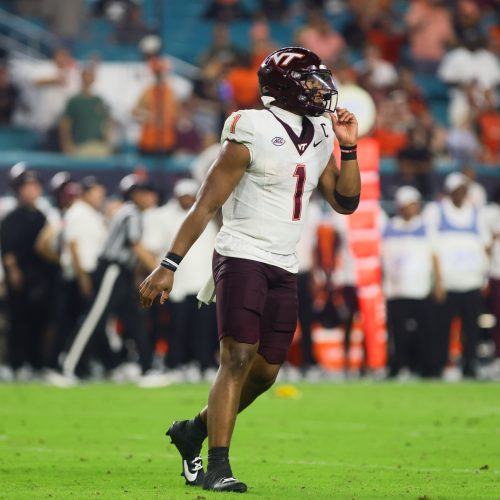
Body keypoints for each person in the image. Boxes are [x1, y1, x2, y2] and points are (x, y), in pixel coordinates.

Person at [139, 47, 360, 492]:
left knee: (264, 373)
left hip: (285, 261)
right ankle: (218, 466)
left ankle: (193, 431)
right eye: (311, 82)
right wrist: (169, 264)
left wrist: (348, 145)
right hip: (241, 253)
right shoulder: (250, 127)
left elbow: (346, 201)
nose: (322, 90)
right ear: (285, 88)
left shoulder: (321, 130)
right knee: (236, 357)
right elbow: (206, 203)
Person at [61, 175, 158, 378]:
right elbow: (136, 245)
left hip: (122, 273)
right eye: (147, 193)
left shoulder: (133, 213)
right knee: (94, 318)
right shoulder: (131, 213)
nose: (152, 197)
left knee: (135, 320)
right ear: (136, 195)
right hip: (112, 271)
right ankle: (69, 366)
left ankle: (147, 368)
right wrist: (161, 268)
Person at [424, 172, 491, 378]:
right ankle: (441, 365)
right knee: (442, 328)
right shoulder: (437, 211)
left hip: (471, 282)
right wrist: (438, 282)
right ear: (449, 192)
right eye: (457, 191)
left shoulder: (475, 213)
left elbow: (486, 245)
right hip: (448, 282)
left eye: (463, 191)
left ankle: (470, 365)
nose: (461, 195)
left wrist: (483, 275)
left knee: (471, 329)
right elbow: (432, 248)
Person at [382, 186, 442, 379]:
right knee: (398, 333)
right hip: (396, 290)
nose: (413, 208)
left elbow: (435, 255)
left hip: (421, 289)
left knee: (426, 331)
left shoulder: (426, 226)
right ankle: (398, 367)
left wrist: (438, 283)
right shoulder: (389, 227)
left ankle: (427, 369)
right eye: (410, 204)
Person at [0, 167, 54, 377]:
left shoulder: (42, 215)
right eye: (27, 187)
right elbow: (8, 249)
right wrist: (13, 271)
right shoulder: (12, 217)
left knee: (39, 322)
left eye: (35, 186)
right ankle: (16, 364)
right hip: (21, 277)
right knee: (18, 321)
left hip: (40, 277)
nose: (32, 191)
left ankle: (35, 363)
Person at [59, 66, 113, 157]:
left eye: (91, 76)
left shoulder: (99, 100)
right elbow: (65, 125)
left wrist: (107, 141)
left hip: (98, 146)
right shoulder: (74, 100)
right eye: (86, 75)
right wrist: (67, 145)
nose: (88, 78)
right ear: (82, 77)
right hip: (79, 146)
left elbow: (108, 121)